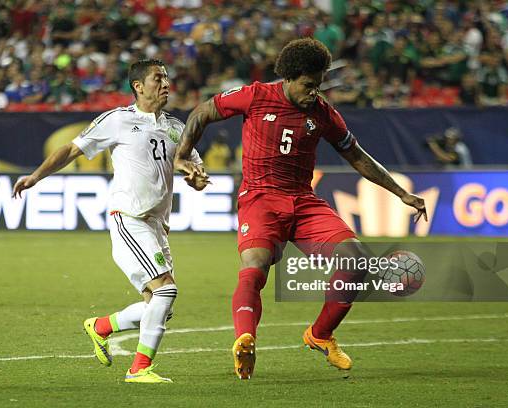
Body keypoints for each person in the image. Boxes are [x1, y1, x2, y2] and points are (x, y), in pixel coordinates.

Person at [174, 38, 427, 380]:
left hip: (303, 201)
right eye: (308, 86)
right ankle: (245, 339)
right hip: (261, 199)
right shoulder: (255, 95)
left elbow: (356, 155)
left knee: (355, 260)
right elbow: (202, 112)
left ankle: (320, 334)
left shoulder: (322, 113)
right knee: (255, 266)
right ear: (289, 78)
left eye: (318, 86)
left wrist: (401, 193)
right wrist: (183, 153)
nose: (314, 94)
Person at [13, 59, 209, 383]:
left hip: (157, 226)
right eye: (158, 78)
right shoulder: (117, 120)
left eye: (167, 78)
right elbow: (71, 149)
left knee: (160, 307)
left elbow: (192, 168)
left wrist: (197, 179)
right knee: (166, 291)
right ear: (138, 86)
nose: (165, 84)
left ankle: (100, 326)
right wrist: (36, 176)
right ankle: (139, 369)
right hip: (129, 217)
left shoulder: (176, 127)